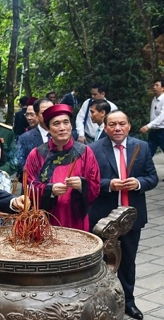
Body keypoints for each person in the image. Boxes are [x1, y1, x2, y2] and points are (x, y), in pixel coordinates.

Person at [89, 110, 158, 320]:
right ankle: (101, 303)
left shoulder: (142, 147)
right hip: (104, 217)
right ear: (106, 127)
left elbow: (152, 177)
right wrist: (108, 184)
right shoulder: (93, 149)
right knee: (101, 262)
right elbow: (88, 181)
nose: (117, 128)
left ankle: (128, 301)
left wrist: (138, 183)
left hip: (131, 217)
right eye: (112, 125)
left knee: (128, 261)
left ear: (129, 126)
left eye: (121, 124)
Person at [24, 104, 100, 231]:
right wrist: (50, 190)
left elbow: (95, 186)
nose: (62, 128)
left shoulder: (85, 152)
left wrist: (82, 185)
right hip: (46, 220)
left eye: (66, 122)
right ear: (48, 129)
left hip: (75, 219)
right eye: (56, 124)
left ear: (71, 126)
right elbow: (28, 186)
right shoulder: (37, 154)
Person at [15, 98, 53, 181]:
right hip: (34, 188)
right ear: (37, 114)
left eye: (52, 111)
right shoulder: (25, 138)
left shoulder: (62, 135)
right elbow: (20, 166)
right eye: (44, 113)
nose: (49, 115)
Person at [139, 79, 164, 156]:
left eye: (157, 85)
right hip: (153, 132)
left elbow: (162, 116)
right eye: (154, 85)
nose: (154, 87)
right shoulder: (154, 99)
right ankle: (145, 168)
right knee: (148, 154)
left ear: (163, 88)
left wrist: (148, 126)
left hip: (162, 132)